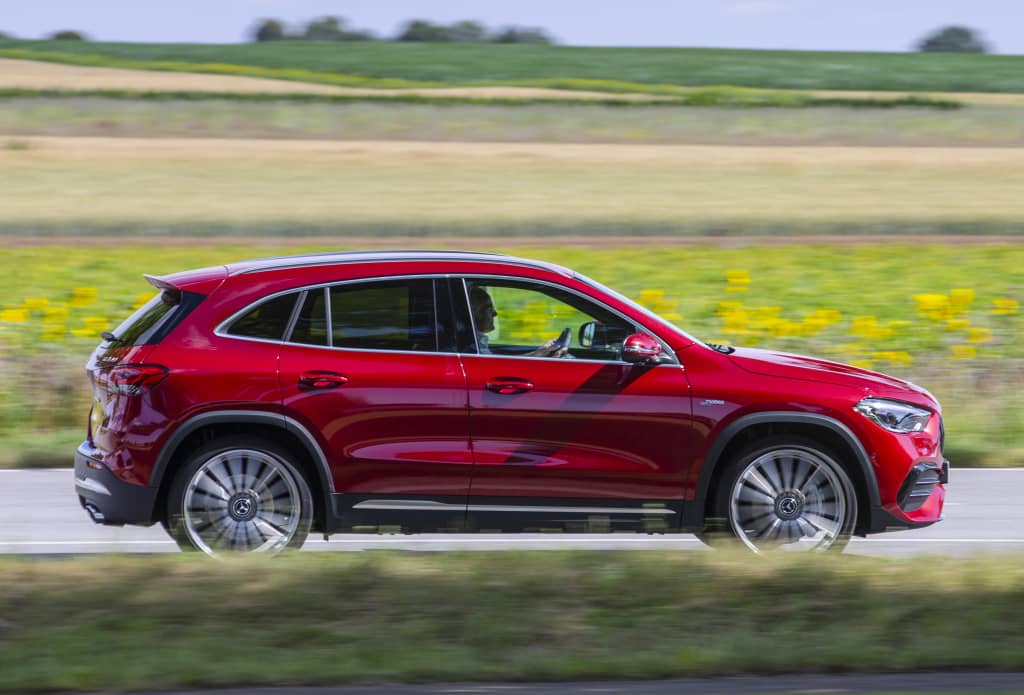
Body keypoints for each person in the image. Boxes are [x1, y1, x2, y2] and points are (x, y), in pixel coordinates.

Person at [468, 285, 567, 357]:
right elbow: (499, 369)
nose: (495, 313)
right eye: (489, 308)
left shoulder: (473, 342)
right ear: (474, 313)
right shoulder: (469, 347)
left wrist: (543, 351)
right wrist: (541, 353)